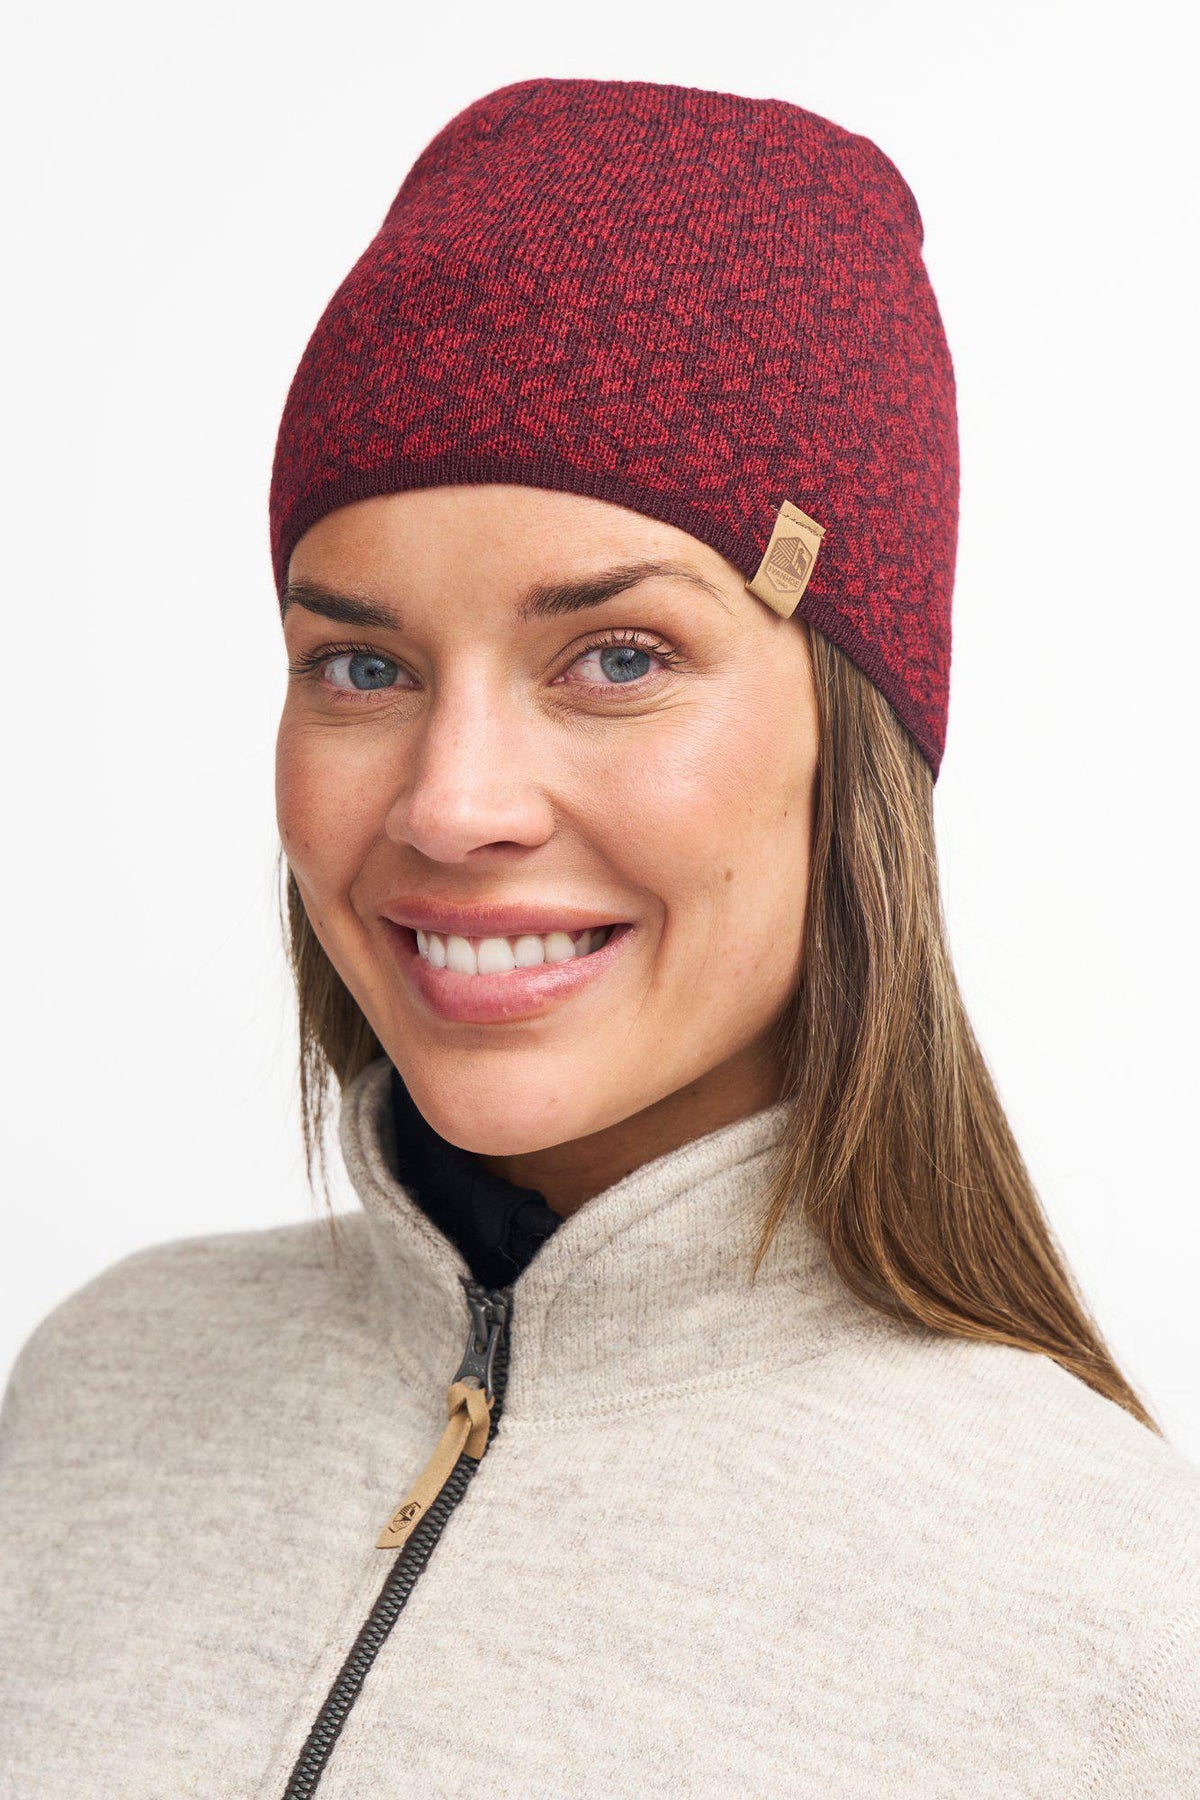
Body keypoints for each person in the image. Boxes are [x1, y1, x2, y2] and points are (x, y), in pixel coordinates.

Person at [0, 74, 1196, 1800]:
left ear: (852, 736)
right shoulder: (99, 1394)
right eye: (362, 666)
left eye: (618, 658)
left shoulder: (1116, 1626)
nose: (452, 804)